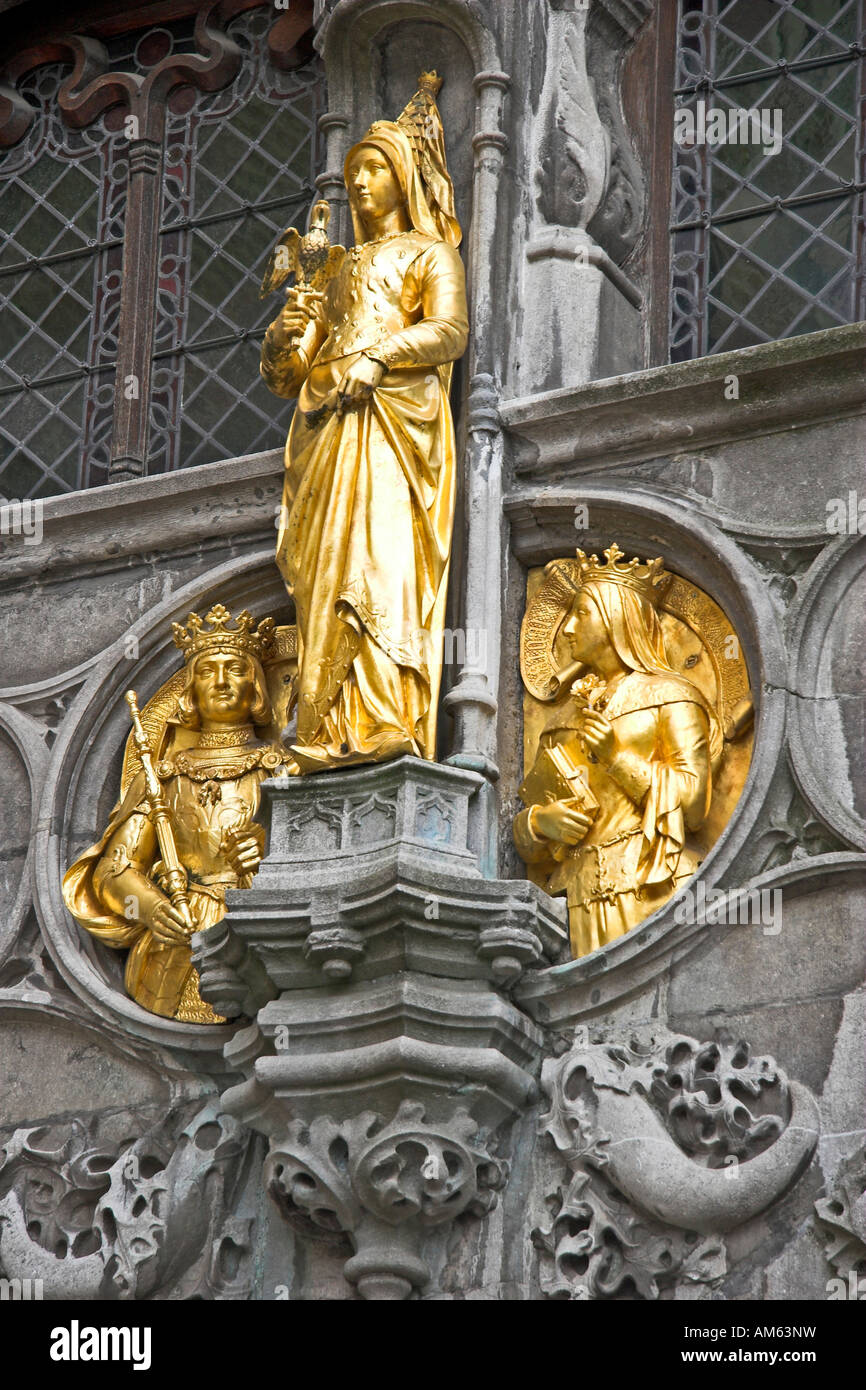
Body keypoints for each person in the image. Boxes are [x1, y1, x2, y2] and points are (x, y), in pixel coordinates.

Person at [260, 73, 469, 771]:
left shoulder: (428, 253)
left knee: (379, 565)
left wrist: (379, 357)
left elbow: (450, 333)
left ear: (404, 177)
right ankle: (321, 726)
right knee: (325, 577)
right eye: (352, 171)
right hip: (325, 428)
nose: (359, 182)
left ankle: (385, 714)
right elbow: (289, 375)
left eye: (374, 167)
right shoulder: (337, 269)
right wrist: (285, 334)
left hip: (390, 423)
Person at [63, 606, 290, 1023]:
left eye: (236, 669)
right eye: (208, 671)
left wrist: (273, 855)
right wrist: (150, 907)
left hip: (263, 929)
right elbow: (114, 869)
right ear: (191, 688)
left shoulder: (285, 768)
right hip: (177, 942)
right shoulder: (162, 777)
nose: (221, 682)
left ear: (257, 685)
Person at [514, 546, 723, 958]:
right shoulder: (565, 716)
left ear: (616, 619)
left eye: (582, 613)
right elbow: (529, 829)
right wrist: (540, 823)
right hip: (578, 895)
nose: (569, 628)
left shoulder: (671, 696)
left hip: (651, 881)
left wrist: (616, 757)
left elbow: (695, 805)